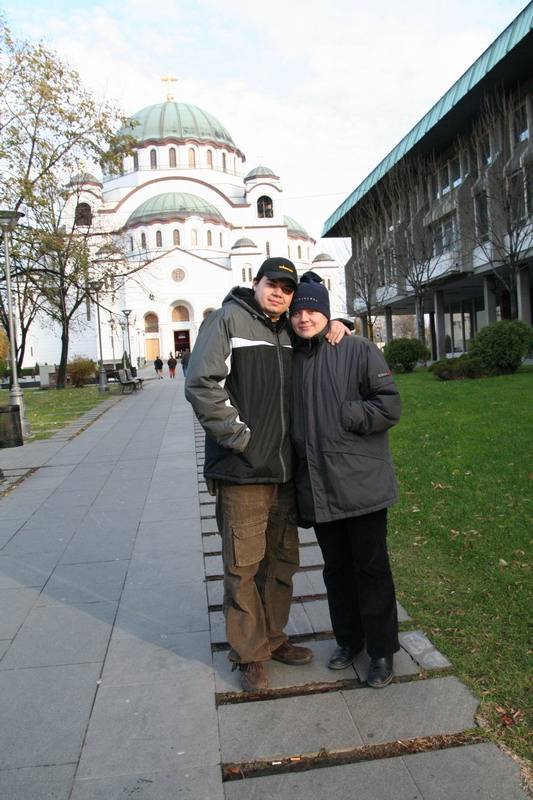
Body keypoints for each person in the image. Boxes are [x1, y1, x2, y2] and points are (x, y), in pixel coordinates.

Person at [289, 273, 402, 688]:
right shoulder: (290, 356)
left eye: (312, 311)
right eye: (297, 312)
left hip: (361, 483)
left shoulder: (356, 348)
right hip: (318, 486)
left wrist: (345, 414)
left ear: (326, 313)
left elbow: (388, 406)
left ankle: (382, 651)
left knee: (371, 569)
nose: (304, 318)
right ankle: (349, 640)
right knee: (336, 571)